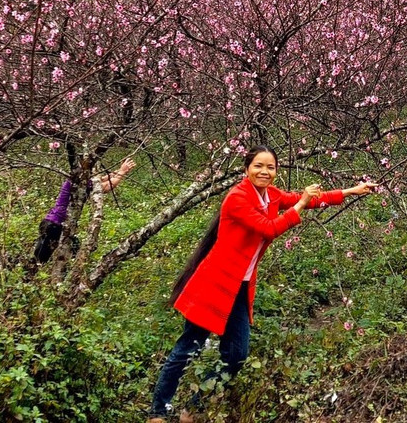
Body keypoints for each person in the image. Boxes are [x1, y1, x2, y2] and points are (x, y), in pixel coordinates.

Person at [148, 146, 376, 422]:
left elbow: (309, 199)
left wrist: (352, 191)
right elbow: (270, 228)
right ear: (246, 169)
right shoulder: (238, 197)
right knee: (189, 347)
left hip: (239, 288)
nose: (264, 172)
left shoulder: (270, 195)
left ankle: (193, 409)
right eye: (258, 166)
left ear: (276, 171)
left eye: (270, 167)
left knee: (236, 355)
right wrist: (300, 204)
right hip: (214, 283)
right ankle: (158, 411)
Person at [33, 156, 137, 264]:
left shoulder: (78, 179)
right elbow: (106, 187)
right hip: (54, 225)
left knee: (68, 248)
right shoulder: (79, 182)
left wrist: (121, 170)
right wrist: (122, 171)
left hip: (51, 222)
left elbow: (101, 179)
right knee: (45, 257)